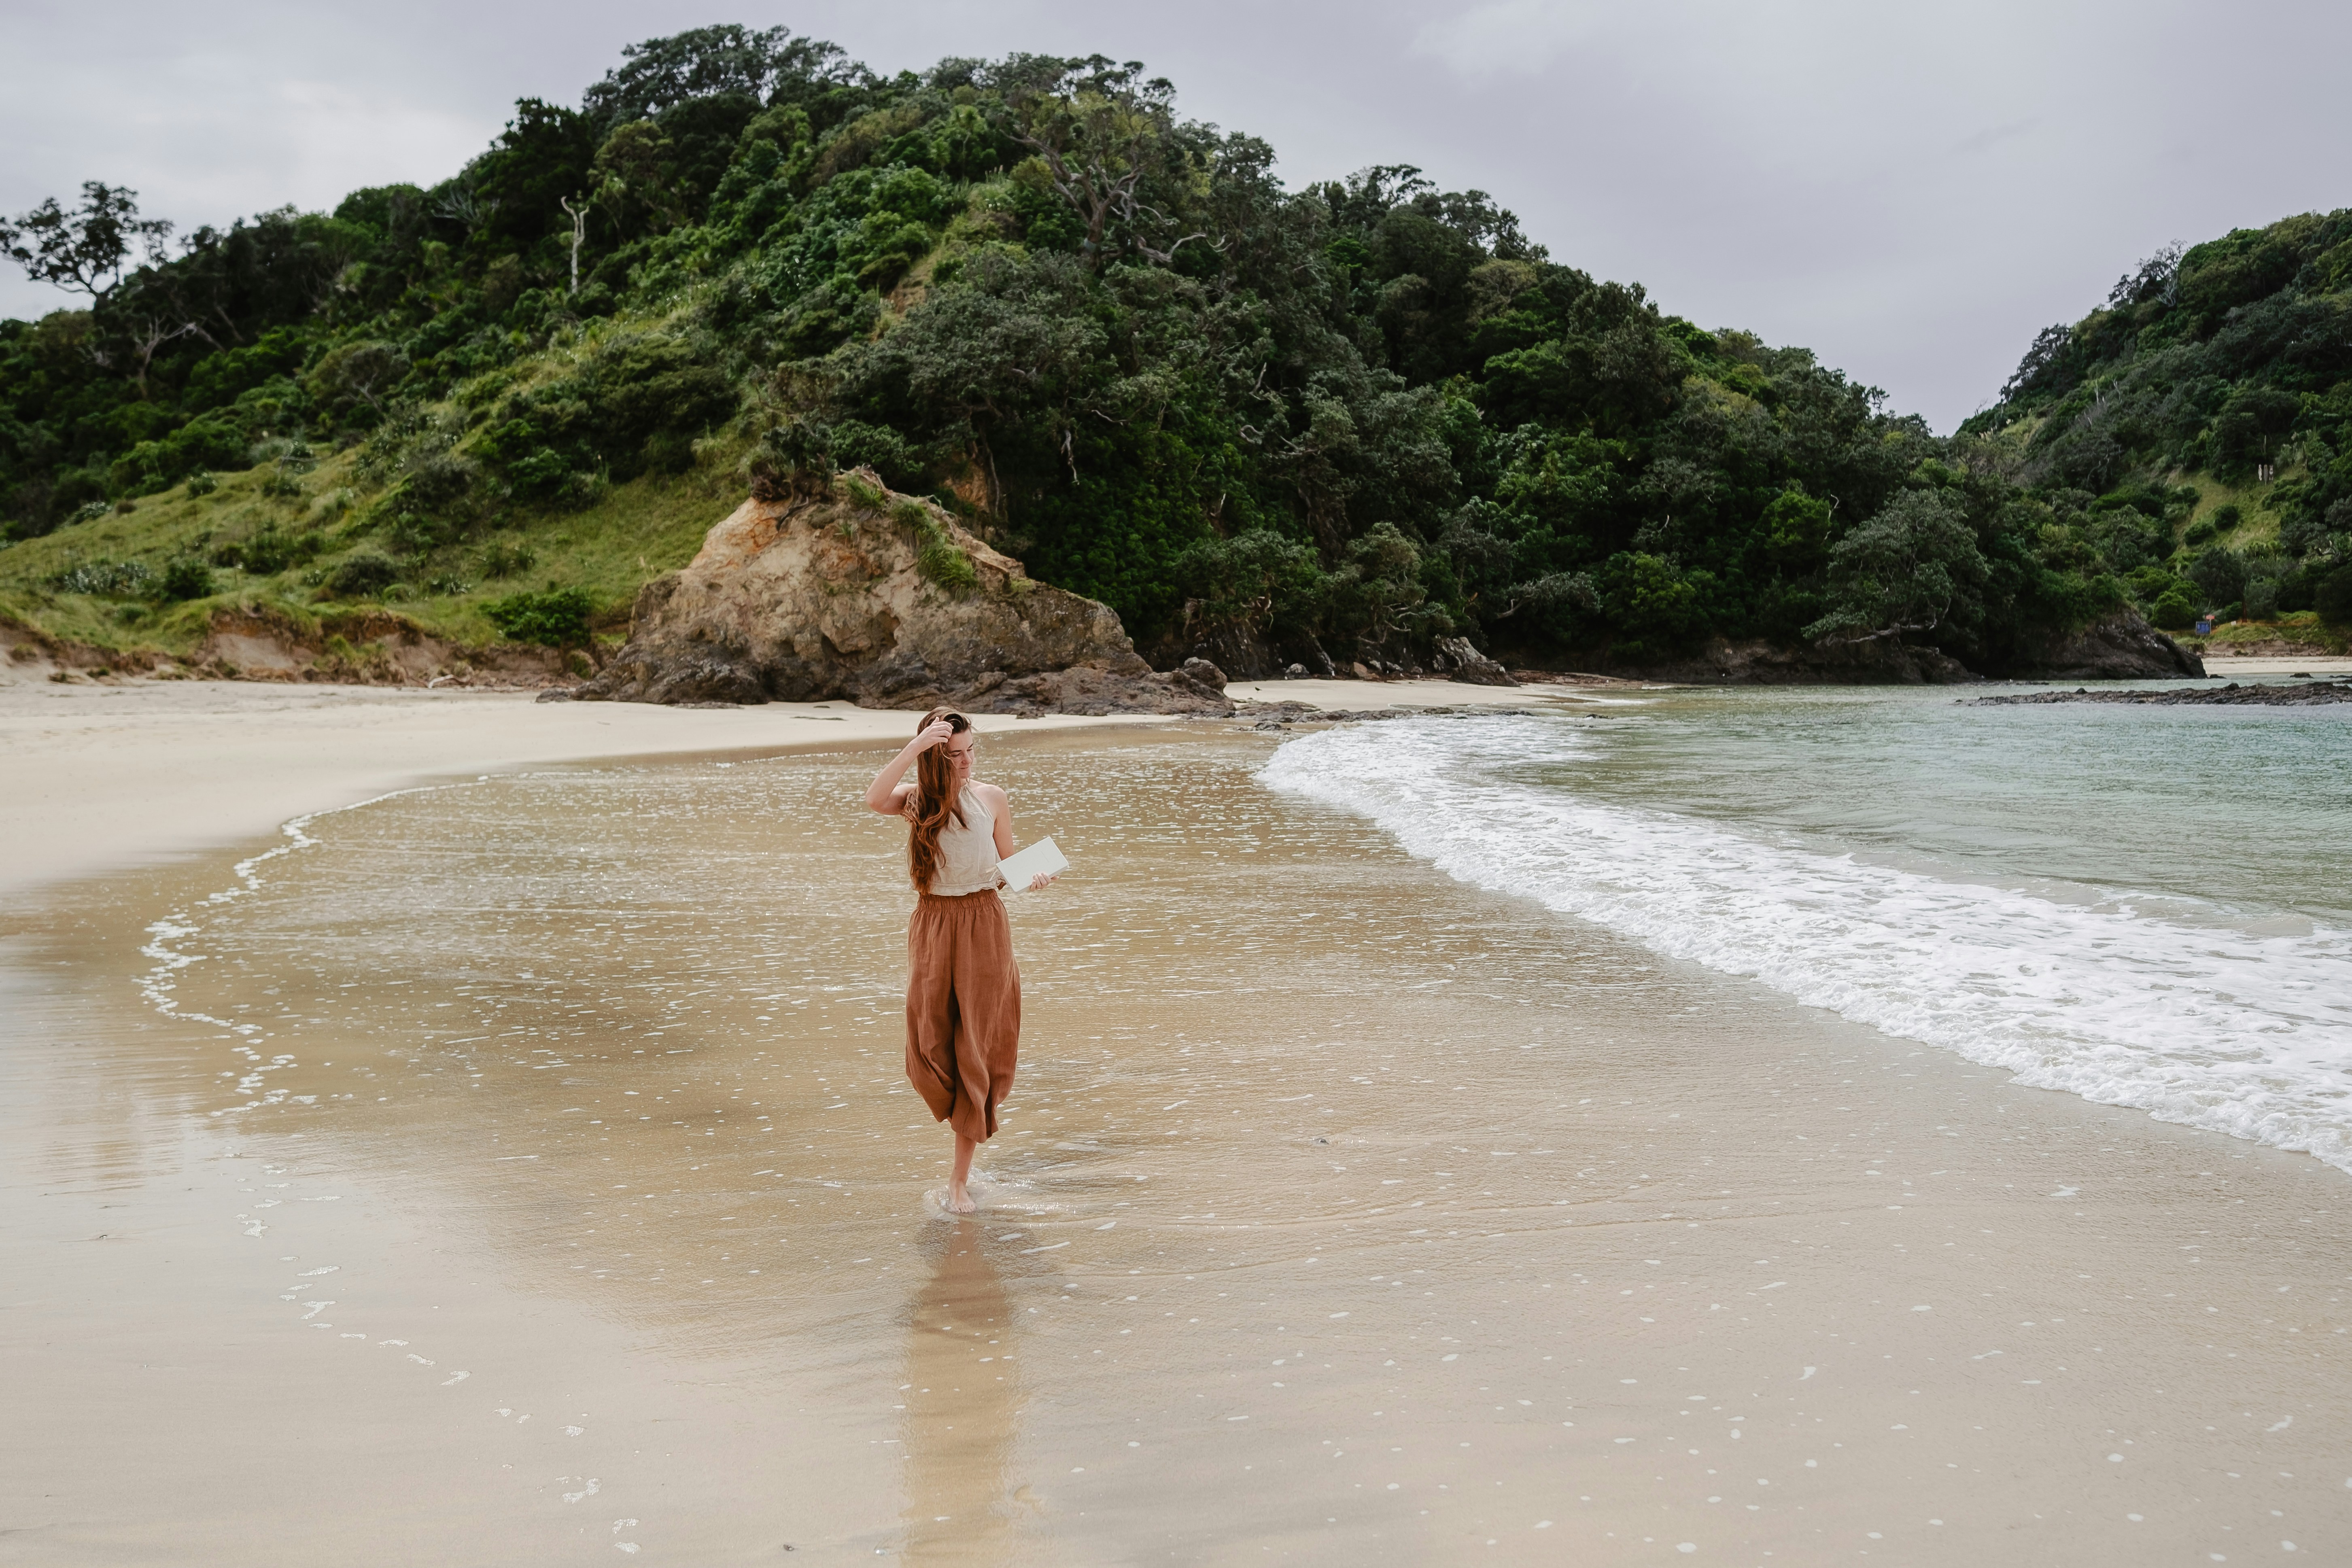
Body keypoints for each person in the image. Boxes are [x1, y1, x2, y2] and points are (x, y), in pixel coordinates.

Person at [865, 708, 1055, 1213]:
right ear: (933, 757)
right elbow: (874, 798)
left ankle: (958, 1178)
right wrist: (914, 748)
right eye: (954, 755)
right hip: (933, 923)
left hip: (984, 923)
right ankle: (958, 1127)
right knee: (928, 1039)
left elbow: (1006, 866)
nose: (966, 762)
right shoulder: (918, 801)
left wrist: (1031, 877)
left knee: (974, 1043)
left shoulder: (992, 798)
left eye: (971, 751)